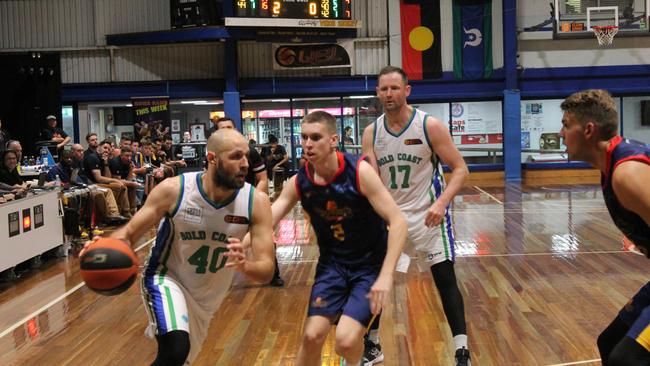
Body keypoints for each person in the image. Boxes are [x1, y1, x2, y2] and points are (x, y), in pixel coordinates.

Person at [83, 128, 276, 365]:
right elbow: (129, 233)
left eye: (246, 156)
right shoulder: (175, 190)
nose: (245, 164)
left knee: (180, 358)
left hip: (207, 297)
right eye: (236, 157)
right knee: (175, 349)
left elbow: (267, 269)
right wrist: (104, 247)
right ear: (212, 159)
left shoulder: (256, 202)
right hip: (166, 277)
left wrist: (245, 266)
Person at [251, 111, 407, 365]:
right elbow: (266, 220)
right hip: (332, 266)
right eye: (304, 138)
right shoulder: (299, 182)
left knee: (345, 341)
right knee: (312, 336)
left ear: (334, 140)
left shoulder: (359, 171)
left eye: (315, 137)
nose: (308, 144)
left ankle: (357, 360)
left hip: (369, 267)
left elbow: (398, 221)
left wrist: (387, 276)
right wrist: (238, 244)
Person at [361, 66, 471, 366]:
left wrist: (442, 204)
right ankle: (372, 344)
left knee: (445, 279)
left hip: (429, 218)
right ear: (378, 93)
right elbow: (371, 179)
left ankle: (462, 351)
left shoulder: (429, 126)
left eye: (395, 88)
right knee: (377, 280)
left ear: (407, 90)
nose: (388, 94)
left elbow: (461, 170)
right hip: (393, 222)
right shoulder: (372, 132)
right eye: (383, 89)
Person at [559, 89, 650, 366]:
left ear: (588, 130)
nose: (561, 134)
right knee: (610, 342)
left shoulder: (627, 174)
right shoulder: (611, 165)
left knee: (628, 359)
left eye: (565, 125)